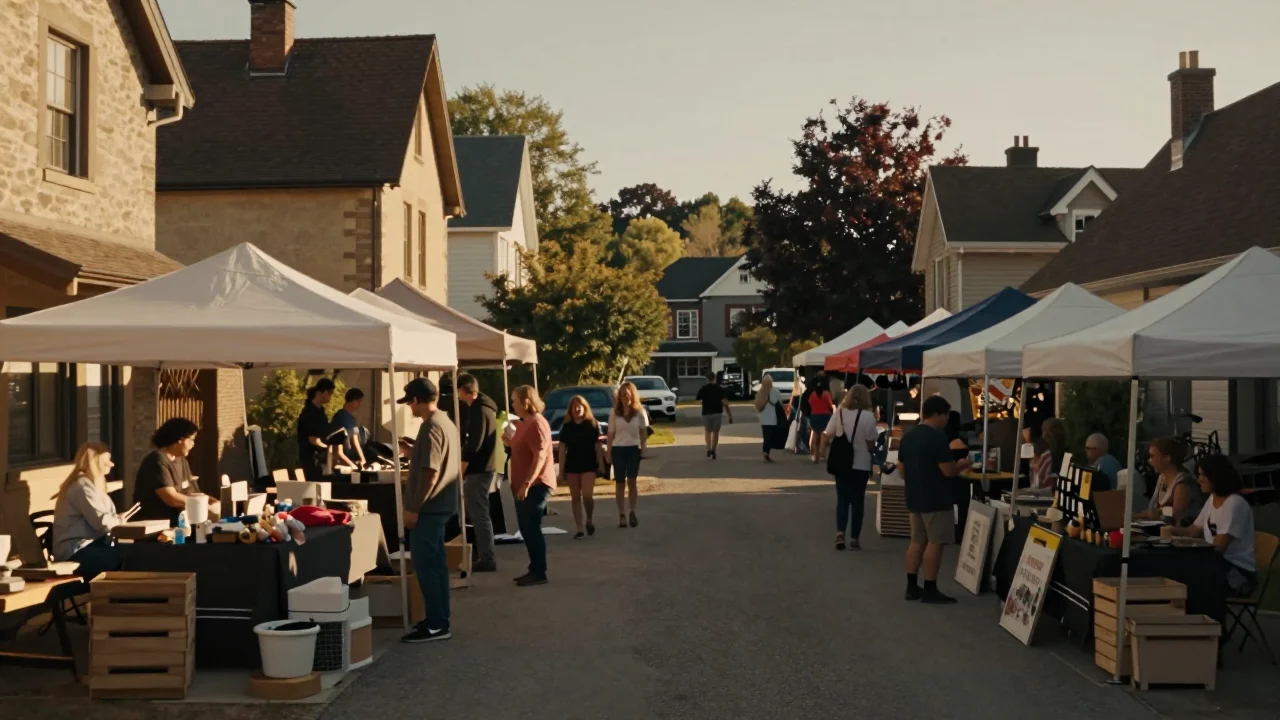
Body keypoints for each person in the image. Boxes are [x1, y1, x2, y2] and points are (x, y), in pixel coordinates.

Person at [397, 378, 461, 643]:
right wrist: (413, 451)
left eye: (409, 403)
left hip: (430, 507)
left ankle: (436, 624)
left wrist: (413, 508)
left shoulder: (431, 426)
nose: (409, 409)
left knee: (427, 565)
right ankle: (439, 618)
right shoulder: (445, 422)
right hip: (441, 505)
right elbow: (433, 461)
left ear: (416, 400)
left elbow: (431, 472)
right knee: (436, 565)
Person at [899, 395, 973, 604]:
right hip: (936, 497)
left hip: (914, 495)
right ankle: (930, 586)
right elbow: (948, 470)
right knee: (936, 541)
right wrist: (963, 464)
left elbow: (901, 467)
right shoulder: (937, 438)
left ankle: (912, 586)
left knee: (917, 541)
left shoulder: (909, 436)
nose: (947, 419)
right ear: (938, 414)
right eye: (946, 415)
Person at [1173, 454, 1257, 597]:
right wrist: (1167, 532)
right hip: (1217, 564)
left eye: (1202, 475)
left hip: (1237, 574)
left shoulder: (1234, 504)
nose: (1199, 480)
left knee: (1190, 580)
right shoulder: (1212, 498)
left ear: (1216, 476)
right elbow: (1194, 531)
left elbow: (1219, 548)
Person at [505, 385, 556, 586]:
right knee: (526, 527)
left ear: (526, 401)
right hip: (522, 484)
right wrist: (509, 443)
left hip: (536, 484)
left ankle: (539, 571)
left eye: (514, 401)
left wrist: (527, 482)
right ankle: (534, 568)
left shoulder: (536, 423)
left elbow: (540, 455)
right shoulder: (525, 423)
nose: (512, 404)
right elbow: (523, 448)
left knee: (531, 526)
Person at [53, 442, 127, 579]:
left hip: (88, 547)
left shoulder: (89, 484)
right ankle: (114, 597)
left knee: (129, 553)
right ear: (95, 464)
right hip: (76, 551)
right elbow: (101, 523)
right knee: (128, 558)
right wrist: (118, 520)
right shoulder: (83, 487)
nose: (112, 464)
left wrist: (115, 519)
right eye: (106, 462)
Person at [821, 385, 880, 551]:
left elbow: (828, 433)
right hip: (861, 464)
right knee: (858, 501)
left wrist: (823, 450)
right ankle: (854, 538)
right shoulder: (869, 417)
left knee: (842, 499)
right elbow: (871, 443)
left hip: (841, 463)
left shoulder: (839, 412)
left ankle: (840, 533)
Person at [134, 418, 219, 524]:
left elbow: (192, 493)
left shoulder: (181, 460)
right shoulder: (157, 460)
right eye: (191, 440)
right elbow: (171, 498)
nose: (193, 445)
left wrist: (212, 501)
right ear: (180, 439)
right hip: (156, 526)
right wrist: (203, 505)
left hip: (180, 524)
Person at [455, 373, 500, 572]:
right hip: (482, 467)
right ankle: (485, 554)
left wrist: (461, 469)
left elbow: (474, 444)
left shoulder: (480, 410)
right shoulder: (482, 408)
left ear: (463, 389)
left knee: (478, 513)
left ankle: (487, 557)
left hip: (479, 469)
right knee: (478, 512)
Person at [559, 395, 605, 539]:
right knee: (575, 497)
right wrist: (561, 471)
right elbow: (561, 450)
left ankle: (589, 520)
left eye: (580, 406)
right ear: (571, 410)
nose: (577, 408)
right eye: (574, 406)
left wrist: (601, 464)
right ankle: (579, 528)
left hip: (589, 464)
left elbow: (597, 446)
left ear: (585, 408)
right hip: (572, 465)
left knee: (587, 495)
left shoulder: (592, 424)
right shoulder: (566, 427)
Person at [1133, 436, 1202, 526]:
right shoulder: (1162, 478)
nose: (1150, 461)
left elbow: (1174, 516)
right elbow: (1156, 512)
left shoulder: (1183, 485)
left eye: (1152, 457)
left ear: (1167, 458)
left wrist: (1139, 516)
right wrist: (1135, 516)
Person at [607, 381, 648, 528]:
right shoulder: (614, 412)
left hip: (633, 449)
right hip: (618, 449)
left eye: (628, 395)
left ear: (633, 395)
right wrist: (608, 452)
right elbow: (610, 433)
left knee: (632, 481)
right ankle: (621, 514)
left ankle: (632, 511)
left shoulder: (638, 412)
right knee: (619, 483)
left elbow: (643, 431)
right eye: (623, 395)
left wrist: (643, 447)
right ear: (620, 397)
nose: (626, 398)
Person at [297, 378, 336, 480]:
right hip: (311, 460)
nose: (331, 396)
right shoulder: (309, 412)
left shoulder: (321, 411)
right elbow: (313, 439)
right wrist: (327, 449)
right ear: (321, 392)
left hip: (320, 459)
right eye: (330, 392)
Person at [945, 411, 973, 545]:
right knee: (963, 506)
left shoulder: (941, 439)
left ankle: (948, 532)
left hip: (945, 478)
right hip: (962, 476)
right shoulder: (962, 440)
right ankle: (961, 532)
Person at [695, 371, 732, 460]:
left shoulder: (703, 388)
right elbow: (725, 403)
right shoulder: (719, 389)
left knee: (707, 431)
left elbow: (698, 400)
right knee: (716, 432)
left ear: (707, 379)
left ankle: (708, 449)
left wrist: (704, 402)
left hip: (706, 413)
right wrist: (729, 415)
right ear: (715, 378)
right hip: (717, 413)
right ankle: (714, 450)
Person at [330, 388, 367, 470]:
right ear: (353, 400)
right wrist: (352, 465)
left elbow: (355, 441)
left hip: (350, 457)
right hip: (341, 460)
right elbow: (337, 449)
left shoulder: (352, 418)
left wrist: (363, 459)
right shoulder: (340, 417)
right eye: (358, 401)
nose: (360, 404)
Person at [1032, 417, 1068, 489]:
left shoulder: (1047, 457)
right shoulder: (1069, 454)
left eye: (1045, 432)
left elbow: (1038, 484)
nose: (1043, 436)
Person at [754, 375, 783, 463]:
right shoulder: (775, 391)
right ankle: (766, 451)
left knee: (766, 436)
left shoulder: (760, 393)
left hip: (763, 419)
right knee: (771, 436)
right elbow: (780, 404)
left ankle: (766, 451)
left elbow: (757, 405)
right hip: (773, 418)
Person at [807, 376, 834, 464]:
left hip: (814, 416)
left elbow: (810, 404)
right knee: (823, 434)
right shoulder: (826, 394)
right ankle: (822, 453)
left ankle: (815, 456)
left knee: (815, 435)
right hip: (825, 416)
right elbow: (830, 405)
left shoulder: (812, 394)